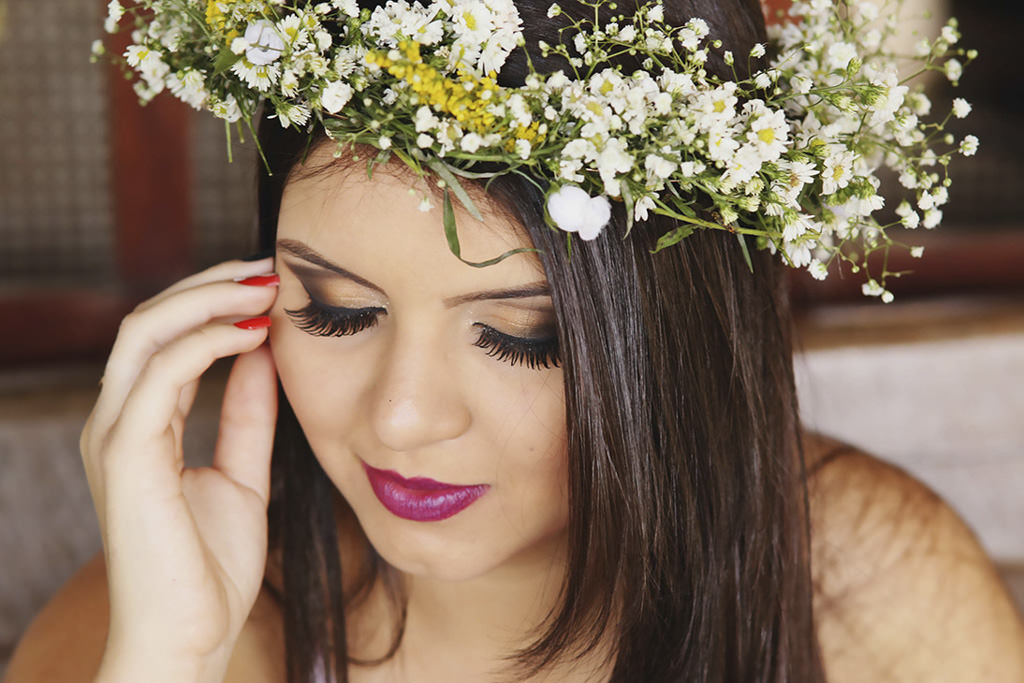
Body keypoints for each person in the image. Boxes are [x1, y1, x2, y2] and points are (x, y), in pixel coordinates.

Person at [7, 0, 1024, 681]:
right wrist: (163, 660)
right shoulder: (150, 620)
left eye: (521, 335)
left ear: (677, 340)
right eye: (336, 311)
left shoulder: (868, 585)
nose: (402, 415)